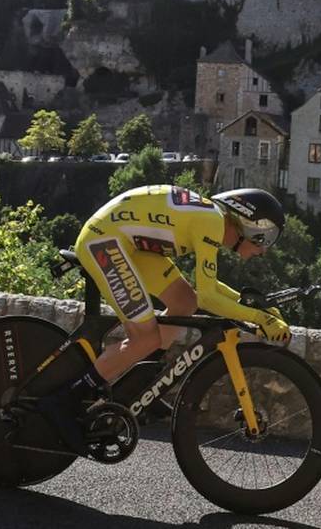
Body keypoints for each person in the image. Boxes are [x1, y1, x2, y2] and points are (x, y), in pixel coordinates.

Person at [38, 185, 291, 453]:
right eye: (265, 239)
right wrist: (259, 319)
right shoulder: (212, 222)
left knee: (184, 302)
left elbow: (207, 289)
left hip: (128, 243)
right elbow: (209, 298)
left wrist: (258, 309)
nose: (264, 250)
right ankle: (63, 400)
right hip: (105, 241)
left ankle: (142, 382)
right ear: (249, 224)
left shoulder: (211, 217)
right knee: (145, 337)